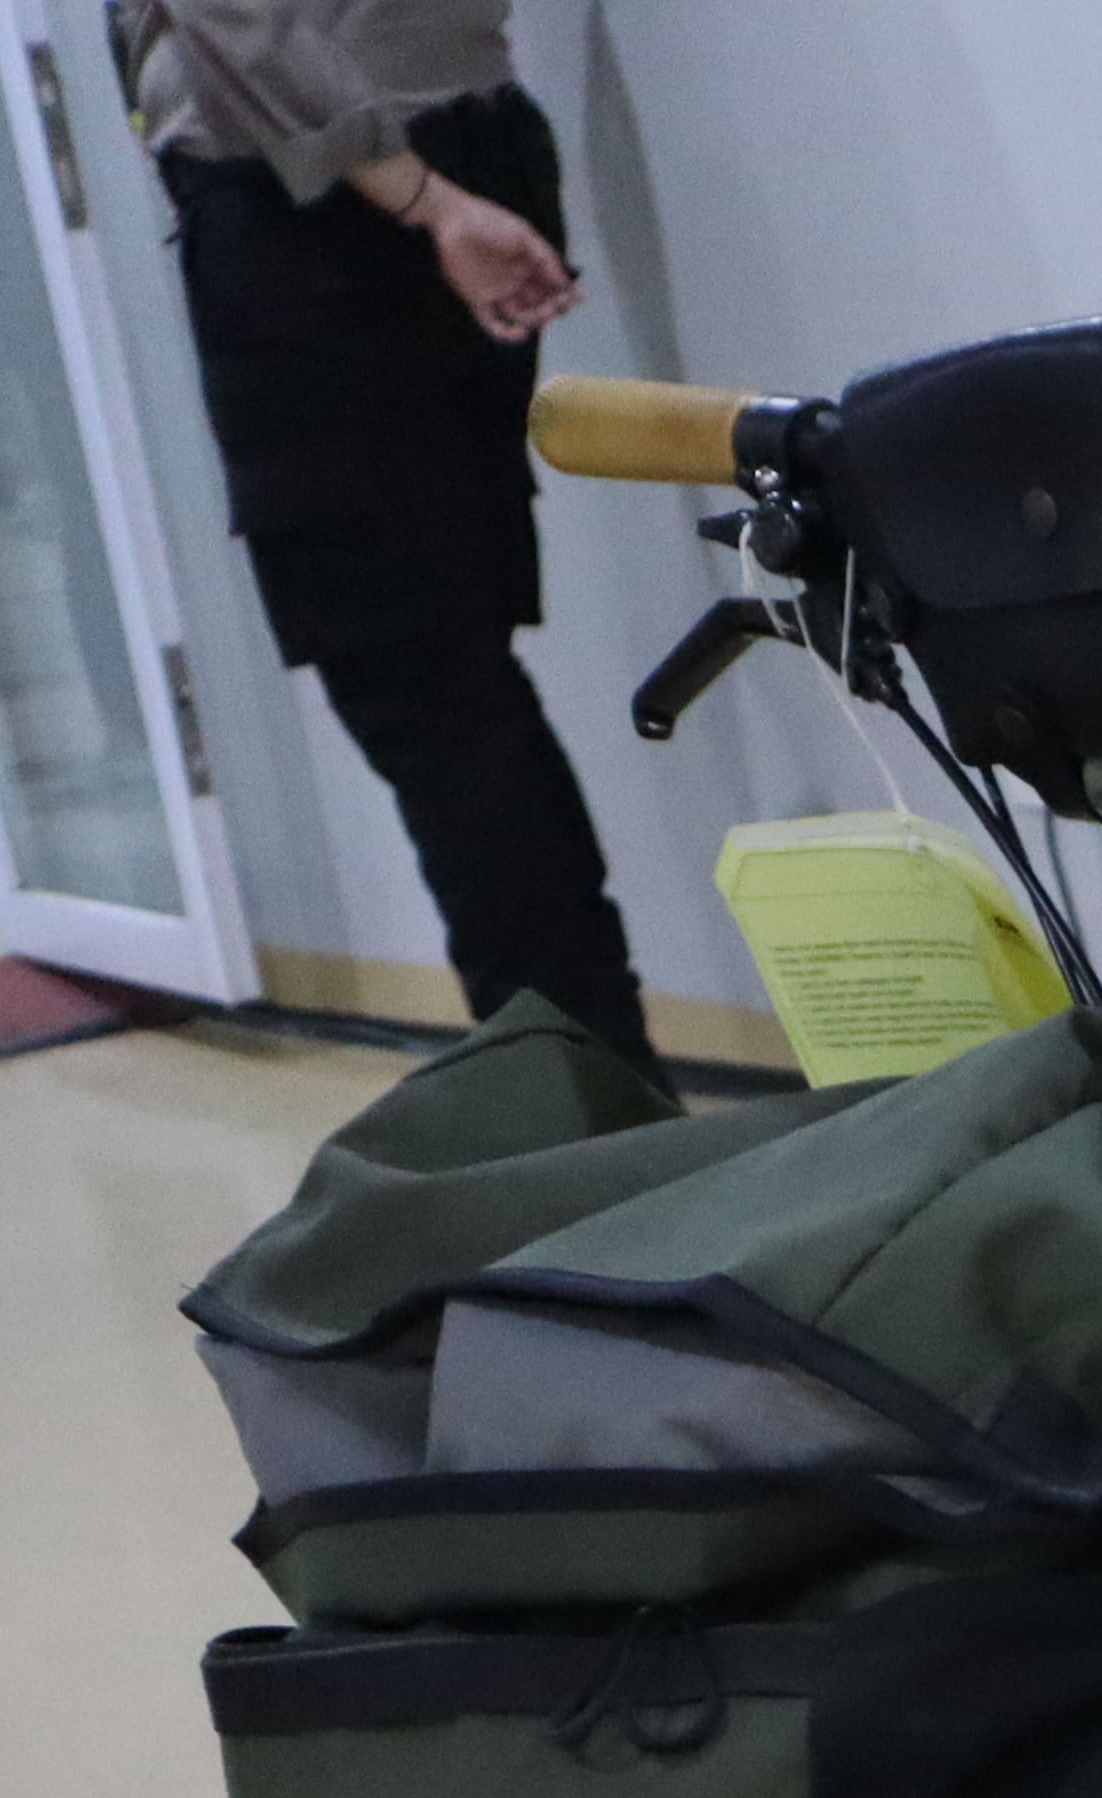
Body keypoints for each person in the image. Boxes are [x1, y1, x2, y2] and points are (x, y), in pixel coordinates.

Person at [118, 0, 648, 1060]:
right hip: (455, 145)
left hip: (332, 199)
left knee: (423, 685)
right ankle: (592, 1072)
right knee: (458, 684)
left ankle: (577, 1097)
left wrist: (421, 197)